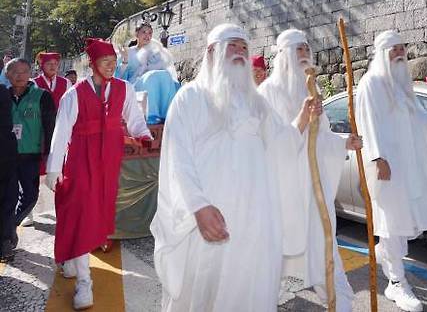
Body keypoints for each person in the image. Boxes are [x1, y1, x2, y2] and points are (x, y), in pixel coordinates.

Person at [151, 23, 317, 312]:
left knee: (250, 289)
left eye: (244, 47)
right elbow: (179, 158)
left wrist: (303, 116)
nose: (240, 52)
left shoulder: (257, 103)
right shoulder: (190, 97)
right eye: (233, 46)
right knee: (203, 291)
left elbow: (283, 143)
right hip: (211, 219)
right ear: (212, 52)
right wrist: (199, 207)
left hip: (256, 221)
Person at [45, 38, 152, 310]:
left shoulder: (124, 88)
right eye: (105, 62)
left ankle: (74, 259)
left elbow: (134, 117)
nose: (111, 67)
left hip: (109, 161)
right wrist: (54, 168)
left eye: (114, 63)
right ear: (93, 64)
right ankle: (84, 281)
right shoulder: (74, 93)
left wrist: (143, 134)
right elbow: (62, 132)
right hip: (81, 159)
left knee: (99, 215)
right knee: (80, 214)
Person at [258, 29, 361, 311]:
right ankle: (273, 291)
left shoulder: (311, 90)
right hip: (284, 193)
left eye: (307, 48)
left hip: (315, 195)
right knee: (281, 252)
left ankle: (340, 302)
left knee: (324, 247)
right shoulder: (266, 94)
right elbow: (270, 147)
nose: (304, 54)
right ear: (284, 57)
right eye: (298, 49)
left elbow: (323, 138)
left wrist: (343, 144)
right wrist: (302, 117)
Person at [356, 30, 427, 312]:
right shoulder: (371, 84)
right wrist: (377, 158)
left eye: (402, 49)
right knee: (390, 223)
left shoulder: (402, 85)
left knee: (395, 225)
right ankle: (397, 282)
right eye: (393, 49)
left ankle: (388, 264)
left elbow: (417, 117)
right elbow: (366, 123)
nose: (399, 53)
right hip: (387, 168)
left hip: (408, 167)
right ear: (383, 53)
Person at [4, 59, 56, 241]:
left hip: (30, 154)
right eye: (14, 72)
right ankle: (7, 237)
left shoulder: (42, 96)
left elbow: (50, 128)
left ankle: (10, 226)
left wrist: (50, 155)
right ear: (7, 74)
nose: (20, 76)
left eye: (24, 71)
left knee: (30, 196)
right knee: (7, 198)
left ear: (30, 73)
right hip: (6, 155)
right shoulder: (2, 96)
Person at [115, 21, 180, 124]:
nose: (147, 35)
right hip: (134, 85)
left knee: (165, 75)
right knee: (152, 76)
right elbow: (119, 77)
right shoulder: (128, 52)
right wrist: (125, 60)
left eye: (150, 33)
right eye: (144, 32)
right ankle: (152, 115)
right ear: (136, 34)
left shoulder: (155, 52)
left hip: (155, 81)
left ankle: (169, 114)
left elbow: (164, 68)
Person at [0, 83, 18, 261]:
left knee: (7, 199)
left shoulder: (2, 92)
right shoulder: (3, 92)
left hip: (5, 154)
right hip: (6, 151)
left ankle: (6, 240)